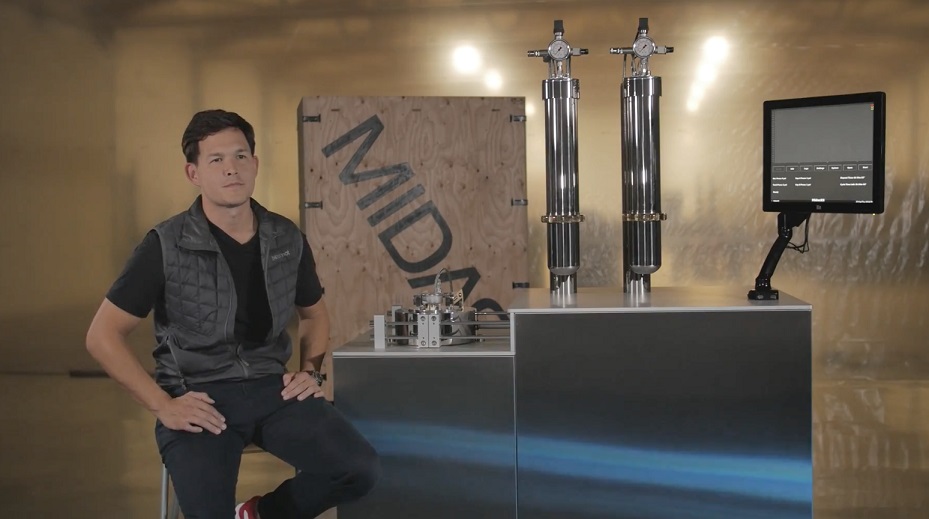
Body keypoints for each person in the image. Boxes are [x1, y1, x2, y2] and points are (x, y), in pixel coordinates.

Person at [86, 109, 380, 519]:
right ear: (193, 173)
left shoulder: (286, 237)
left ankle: (259, 514)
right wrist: (163, 405)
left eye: (241, 156)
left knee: (358, 469)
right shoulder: (165, 244)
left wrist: (310, 373)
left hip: (271, 389)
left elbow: (314, 315)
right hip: (198, 396)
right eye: (216, 159)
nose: (231, 169)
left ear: (255, 164)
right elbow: (101, 336)